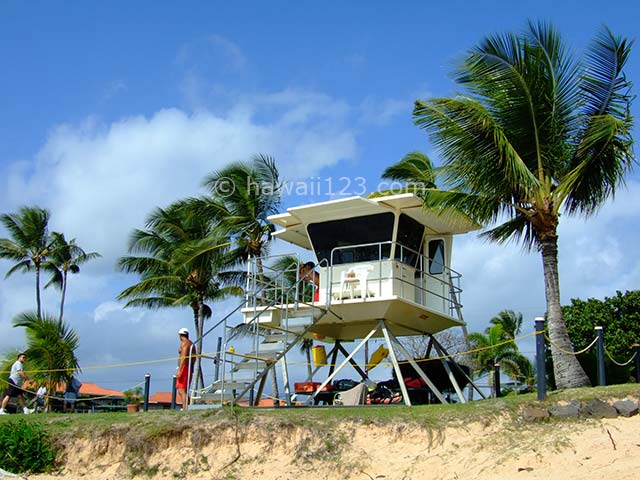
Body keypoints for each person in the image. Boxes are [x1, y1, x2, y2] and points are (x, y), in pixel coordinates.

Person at [176, 327, 197, 411]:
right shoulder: (191, 344)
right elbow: (194, 358)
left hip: (184, 367)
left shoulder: (185, 343)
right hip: (188, 367)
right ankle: (186, 407)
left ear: (180, 335)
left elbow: (184, 357)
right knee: (182, 390)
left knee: (182, 390)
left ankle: (185, 408)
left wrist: (179, 370)